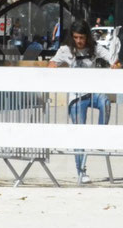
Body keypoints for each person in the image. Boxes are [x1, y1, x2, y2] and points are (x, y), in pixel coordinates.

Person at [50, 19, 121, 184]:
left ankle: (100, 136)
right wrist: (55, 68)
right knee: (79, 135)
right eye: (76, 37)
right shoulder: (66, 49)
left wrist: (115, 65)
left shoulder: (94, 48)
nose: (79, 41)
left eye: (82, 37)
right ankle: (81, 171)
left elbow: (112, 60)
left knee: (105, 103)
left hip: (92, 93)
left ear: (87, 37)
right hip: (76, 97)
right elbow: (52, 63)